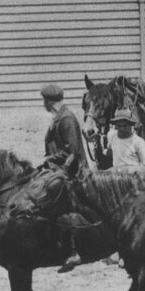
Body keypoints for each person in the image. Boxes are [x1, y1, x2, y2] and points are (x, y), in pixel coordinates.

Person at [41, 83, 90, 273]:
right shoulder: (59, 117)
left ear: (47, 101)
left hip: (74, 172)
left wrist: (58, 171)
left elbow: (73, 152)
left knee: (56, 200)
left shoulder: (67, 119)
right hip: (59, 167)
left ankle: (72, 251)